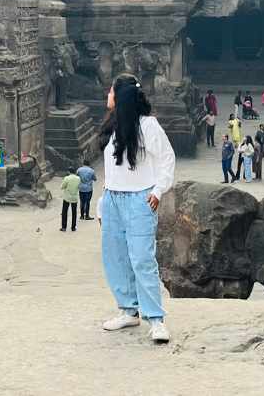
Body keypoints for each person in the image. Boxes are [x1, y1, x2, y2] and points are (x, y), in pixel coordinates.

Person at [97, 74, 175, 345]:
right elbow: (111, 169)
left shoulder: (148, 126)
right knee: (115, 257)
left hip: (140, 199)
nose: (107, 94)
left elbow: (167, 159)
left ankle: (156, 319)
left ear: (121, 97)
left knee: (142, 259)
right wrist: (102, 201)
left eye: (111, 91)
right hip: (113, 199)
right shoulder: (113, 125)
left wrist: (158, 190)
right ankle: (128, 309)